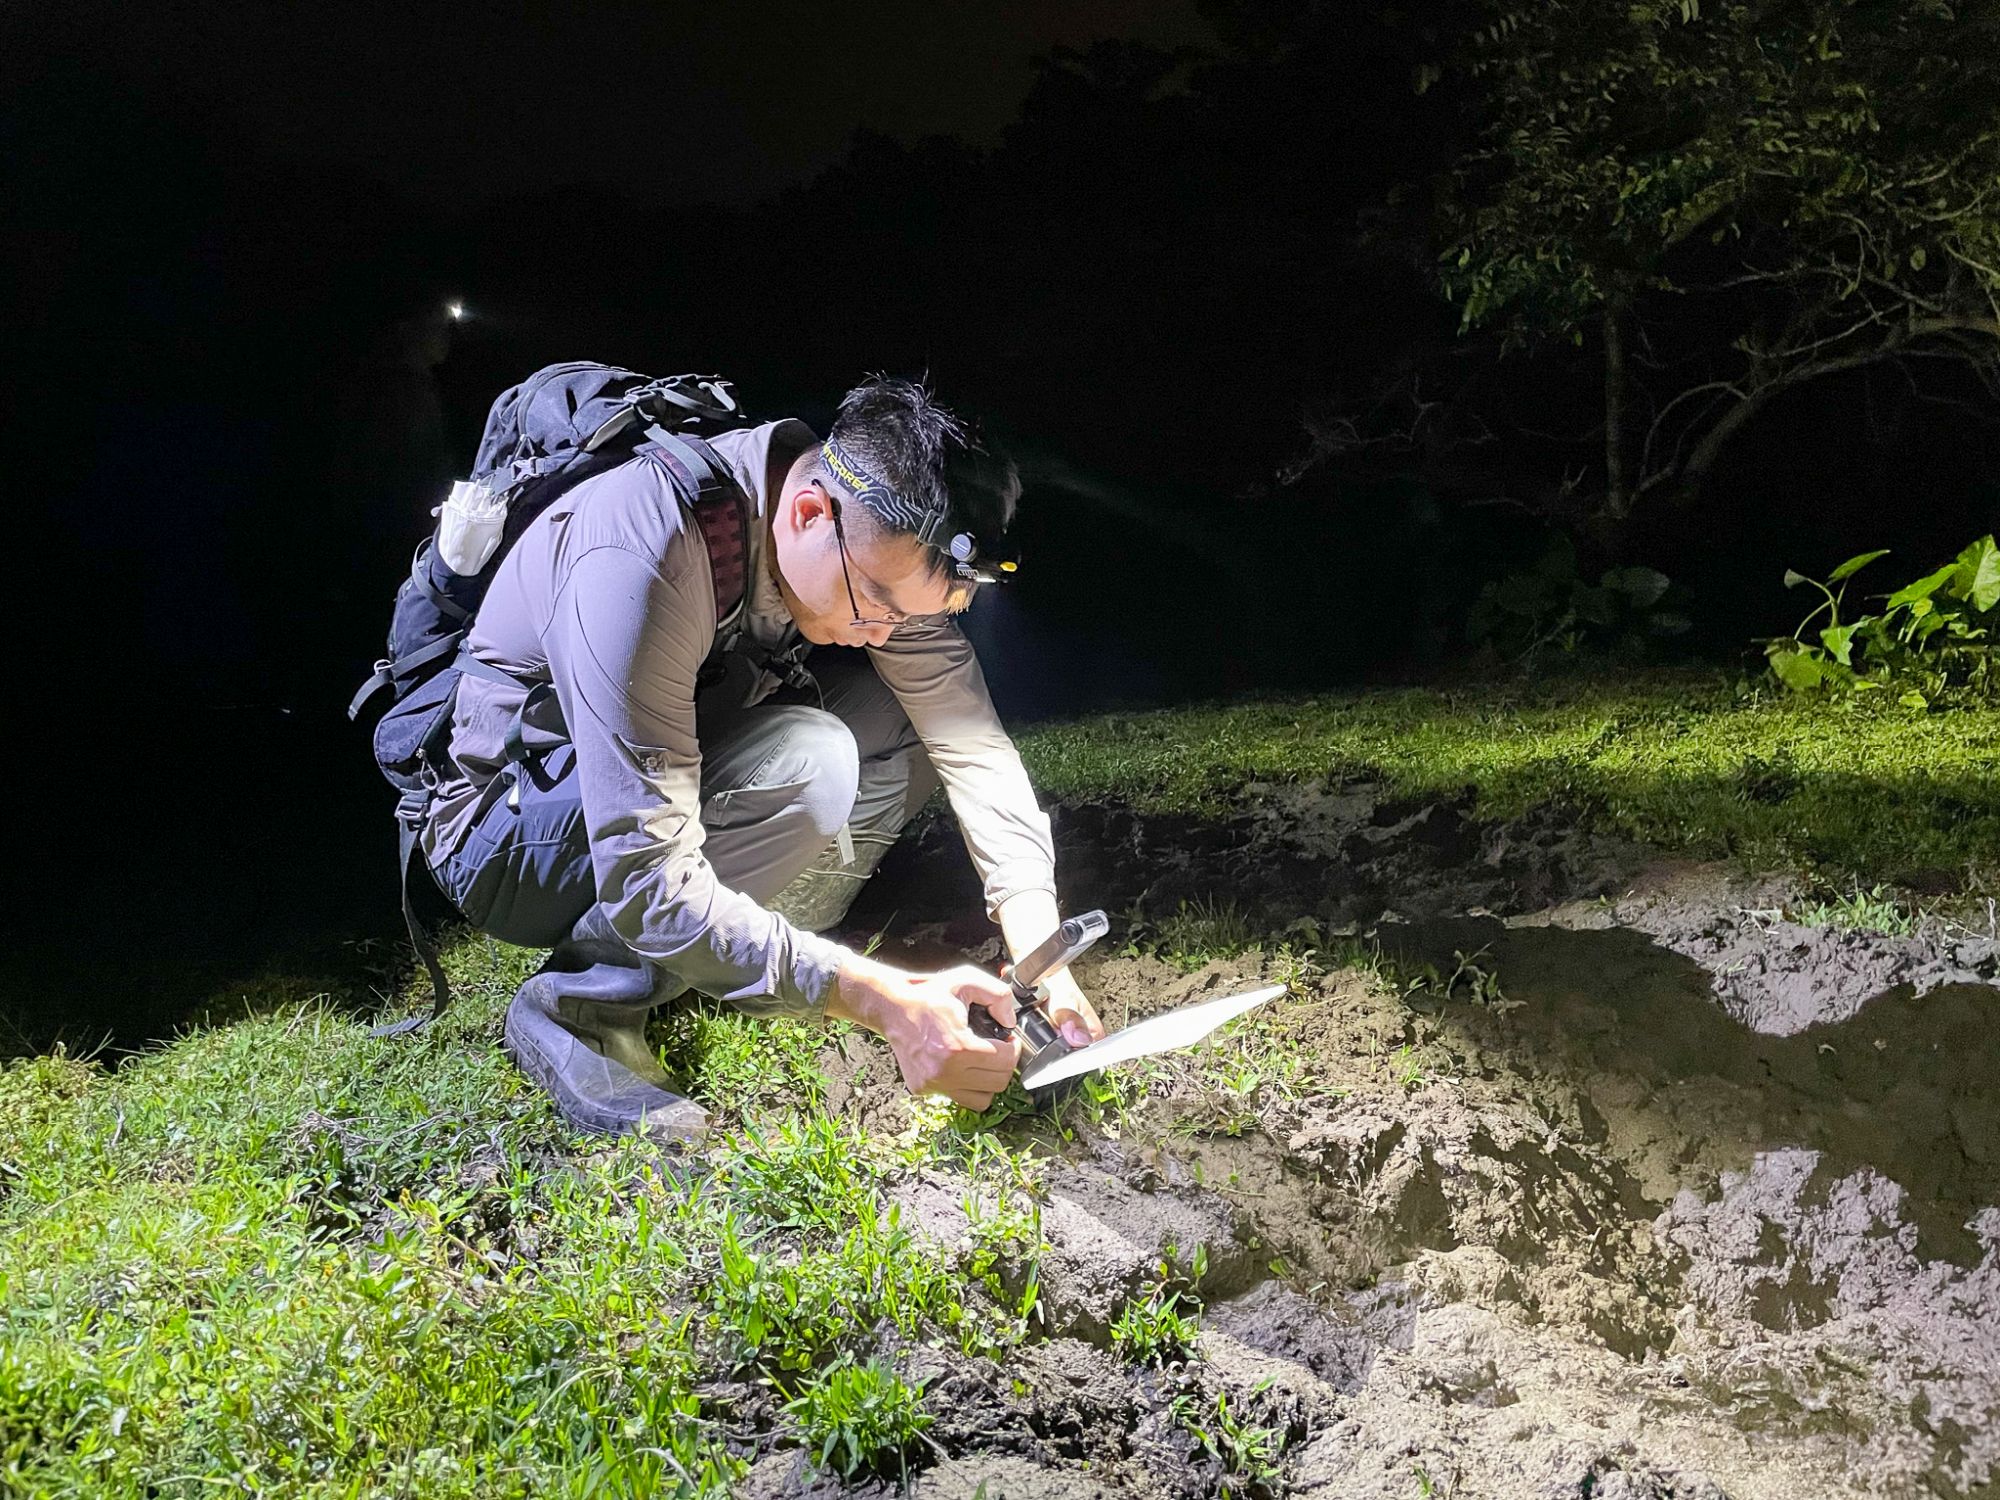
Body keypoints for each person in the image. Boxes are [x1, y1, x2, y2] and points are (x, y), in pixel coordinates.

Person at [417, 376, 1105, 1144]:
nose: (883, 634)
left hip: (661, 756)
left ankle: (742, 953)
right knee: (813, 758)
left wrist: (1040, 948)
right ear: (811, 512)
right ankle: (586, 1003)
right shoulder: (644, 550)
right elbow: (648, 881)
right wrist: (877, 998)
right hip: (506, 828)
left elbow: (971, 746)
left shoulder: (880, 540)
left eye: (906, 616)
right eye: (876, 603)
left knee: (904, 728)